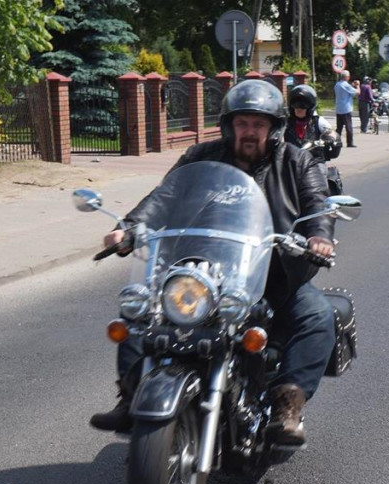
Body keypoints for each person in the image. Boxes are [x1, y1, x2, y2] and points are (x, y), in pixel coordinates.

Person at [91, 79, 337, 447]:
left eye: (258, 124)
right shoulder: (199, 157)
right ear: (228, 126)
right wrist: (127, 229)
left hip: (271, 274)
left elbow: (317, 204)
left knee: (317, 316)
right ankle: (131, 395)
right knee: (140, 310)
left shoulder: (296, 161)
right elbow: (163, 197)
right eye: (242, 123)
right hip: (201, 270)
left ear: (273, 129)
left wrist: (319, 236)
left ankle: (288, 405)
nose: (249, 132)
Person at [284, 84, 340, 152]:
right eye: (295, 104)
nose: (299, 108)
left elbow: (334, 139)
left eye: (303, 105)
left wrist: (331, 141)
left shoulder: (319, 122)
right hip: (290, 160)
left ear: (311, 106)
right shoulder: (285, 124)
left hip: (314, 160)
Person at [334, 70, 358, 147]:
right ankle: (349, 143)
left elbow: (347, 90)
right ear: (347, 77)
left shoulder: (337, 84)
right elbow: (357, 92)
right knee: (349, 127)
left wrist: (352, 85)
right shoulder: (346, 85)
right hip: (346, 109)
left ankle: (337, 142)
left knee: (339, 128)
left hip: (339, 108)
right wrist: (358, 86)